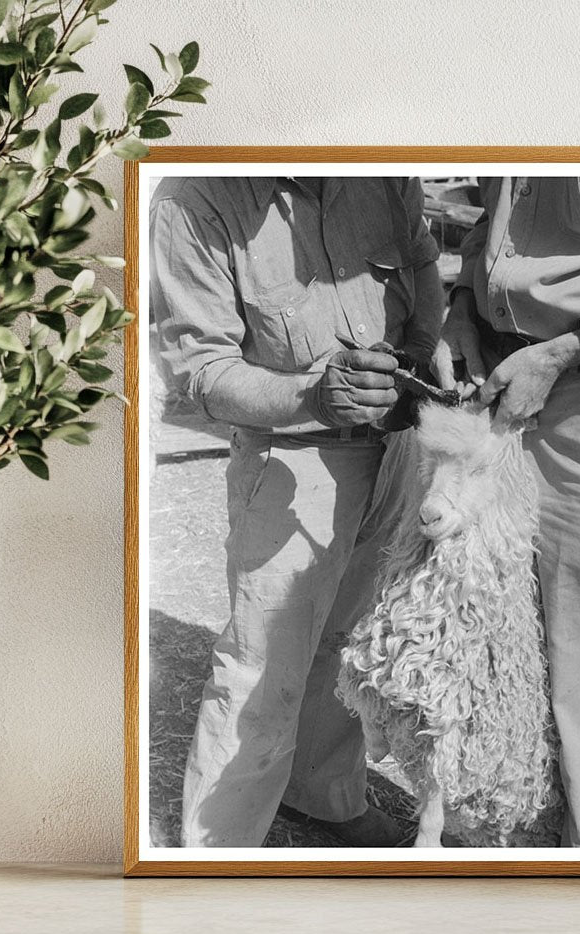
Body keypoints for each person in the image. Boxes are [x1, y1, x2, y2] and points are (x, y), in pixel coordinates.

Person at [150, 176, 442, 847]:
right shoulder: (194, 201)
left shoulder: (382, 172)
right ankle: (217, 850)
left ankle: (325, 798)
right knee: (260, 664)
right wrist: (315, 397)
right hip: (291, 454)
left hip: (397, 442)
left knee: (351, 639)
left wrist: (418, 354)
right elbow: (202, 371)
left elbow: (424, 265)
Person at [433, 176, 580, 847]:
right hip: (495, 388)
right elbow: (490, 232)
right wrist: (463, 307)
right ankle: (507, 842)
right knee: (487, 643)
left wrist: (562, 352)